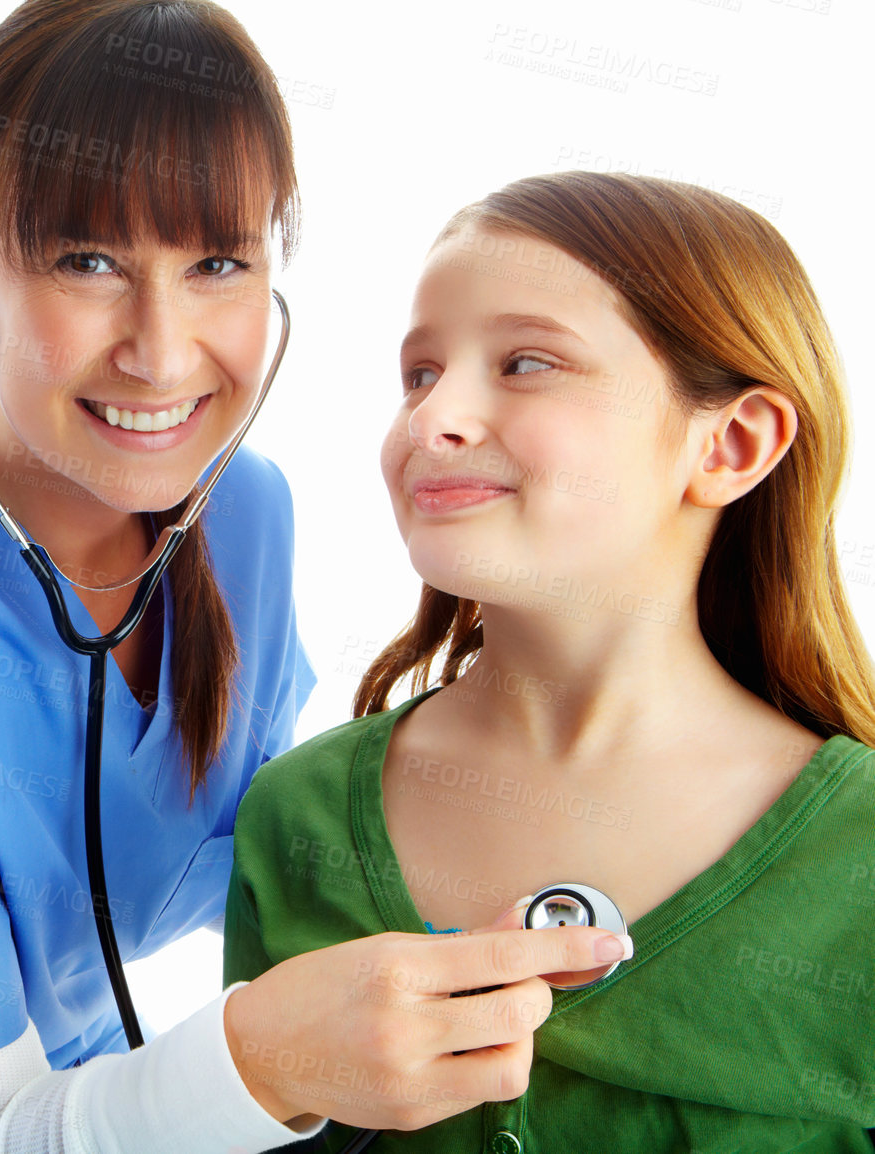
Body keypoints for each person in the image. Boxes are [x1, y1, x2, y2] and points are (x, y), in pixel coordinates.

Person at [0, 6, 628, 1151]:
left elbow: (257, 853)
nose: (161, 349)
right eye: (88, 261)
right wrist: (271, 1058)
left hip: (64, 1080)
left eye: (216, 263)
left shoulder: (243, 512)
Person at [225, 171, 875, 1152]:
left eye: (525, 362)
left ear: (731, 443)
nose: (433, 417)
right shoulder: (295, 815)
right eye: (419, 373)